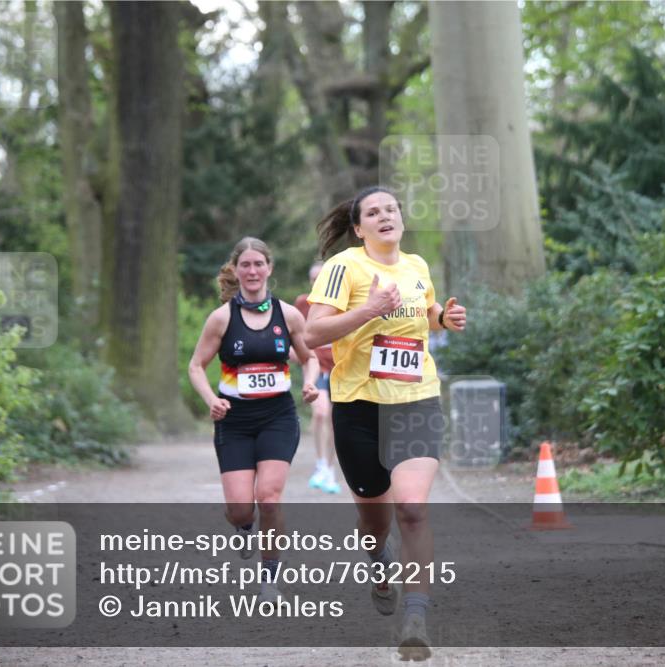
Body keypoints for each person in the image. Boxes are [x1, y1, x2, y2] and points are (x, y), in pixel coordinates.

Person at [304, 186, 466, 660]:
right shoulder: (344, 268)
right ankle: (378, 560)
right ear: (359, 228)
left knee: (412, 508)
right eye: (372, 212)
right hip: (359, 407)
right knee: (374, 523)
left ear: (401, 218)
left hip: (415, 400)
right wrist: (368, 311)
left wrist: (444, 318)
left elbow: (425, 314)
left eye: (391, 209)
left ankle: (415, 616)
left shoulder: (417, 266)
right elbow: (313, 332)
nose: (384, 216)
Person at [188, 237, 320, 606]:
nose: (251, 271)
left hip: (278, 416)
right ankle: (244, 527)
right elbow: (196, 366)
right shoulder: (221, 318)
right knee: (241, 508)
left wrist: (309, 382)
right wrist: (211, 399)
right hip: (234, 421)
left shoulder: (288, 315)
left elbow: (309, 357)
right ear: (235, 270)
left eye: (258, 264)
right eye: (244, 265)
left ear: (269, 269)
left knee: (270, 498)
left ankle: (269, 580)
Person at [294, 262, 340, 494]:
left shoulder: (343, 301)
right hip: (316, 366)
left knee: (333, 419)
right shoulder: (303, 304)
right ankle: (320, 464)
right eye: (313, 279)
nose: (316, 283)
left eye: (321, 278)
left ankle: (329, 469)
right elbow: (295, 336)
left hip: (341, 367)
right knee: (321, 412)